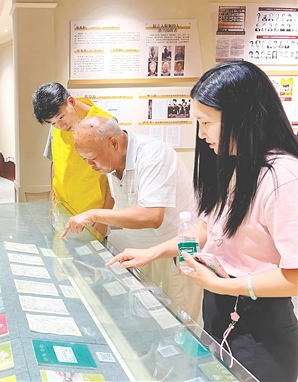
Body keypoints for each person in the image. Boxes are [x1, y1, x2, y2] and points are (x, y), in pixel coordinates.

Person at [108, 61, 298, 381]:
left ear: (243, 117)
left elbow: (294, 275)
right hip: (221, 308)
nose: (201, 133)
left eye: (206, 122)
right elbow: (207, 229)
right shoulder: (236, 164)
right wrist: (152, 252)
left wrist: (221, 285)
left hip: (258, 323)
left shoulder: (284, 177)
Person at [61, 115, 203, 322]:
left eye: (92, 158)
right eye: (84, 159)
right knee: (151, 317)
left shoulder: (153, 155)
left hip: (174, 254)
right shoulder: (111, 159)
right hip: (143, 252)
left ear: (114, 143)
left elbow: (152, 216)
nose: (89, 164)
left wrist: (94, 215)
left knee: (180, 321)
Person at [32, 82, 114, 237]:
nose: (61, 125)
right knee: (60, 250)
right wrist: (52, 196)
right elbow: (55, 161)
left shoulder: (105, 123)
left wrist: (104, 221)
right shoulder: (56, 127)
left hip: (91, 214)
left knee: (89, 252)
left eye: (61, 117)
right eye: (53, 123)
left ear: (71, 101)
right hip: (61, 210)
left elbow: (115, 177)